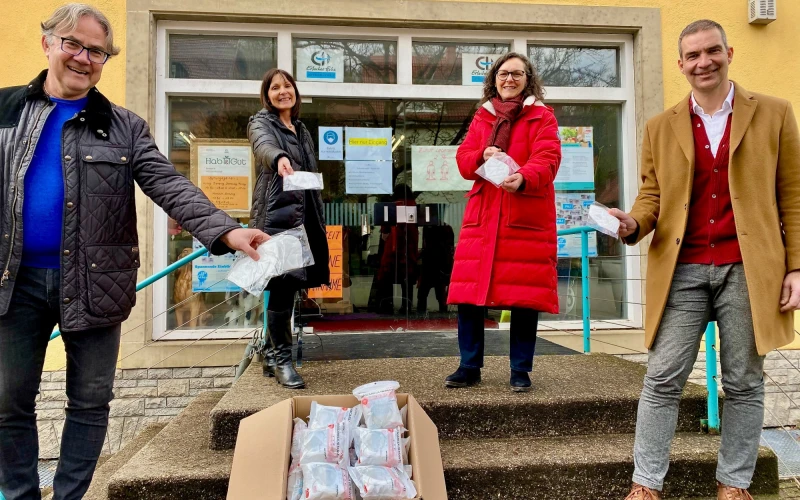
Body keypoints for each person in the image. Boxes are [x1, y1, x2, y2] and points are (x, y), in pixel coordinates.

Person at [0, 4, 270, 500]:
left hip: (96, 279)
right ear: (48, 44)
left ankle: (69, 497)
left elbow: (168, 184)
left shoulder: (123, 126)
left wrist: (228, 232)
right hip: (11, 282)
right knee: (7, 402)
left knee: (90, 401)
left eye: (97, 51)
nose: (84, 57)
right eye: (73, 44)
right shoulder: (4, 110)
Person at [609, 20, 800, 500]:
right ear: (680, 65)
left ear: (729, 51)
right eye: (692, 56)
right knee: (662, 376)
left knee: (743, 380)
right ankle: (646, 484)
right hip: (682, 268)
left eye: (711, 51)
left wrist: (796, 266)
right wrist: (632, 222)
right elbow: (653, 195)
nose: (703, 62)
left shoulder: (775, 113)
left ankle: (733, 484)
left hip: (749, 268)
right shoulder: (660, 125)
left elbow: (793, 196)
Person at [444, 52, 562, 393]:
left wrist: (523, 177)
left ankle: (520, 371)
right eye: (503, 74)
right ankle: (469, 366)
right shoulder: (484, 117)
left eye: (517, 74)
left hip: (523, 215)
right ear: (494, 79)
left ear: (528, 79)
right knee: (469, 296)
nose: (509, 79)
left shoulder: (542, 117)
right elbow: (464, 160)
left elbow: (549, 157)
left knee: (524, 298)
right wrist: (482, 154)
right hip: (483, 218)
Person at [248, 69, 330, 390]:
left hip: (304, 213)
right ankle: (282, 360)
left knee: (293, 284)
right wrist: (280, 157)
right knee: (281, 287)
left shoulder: (301, 128)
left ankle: (271, 353)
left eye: (288, 86)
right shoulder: (261, 123)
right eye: (275, 87)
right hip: (277, 216)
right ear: (267, 95)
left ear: (295, 91)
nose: (283, 91)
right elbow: (264, 146)